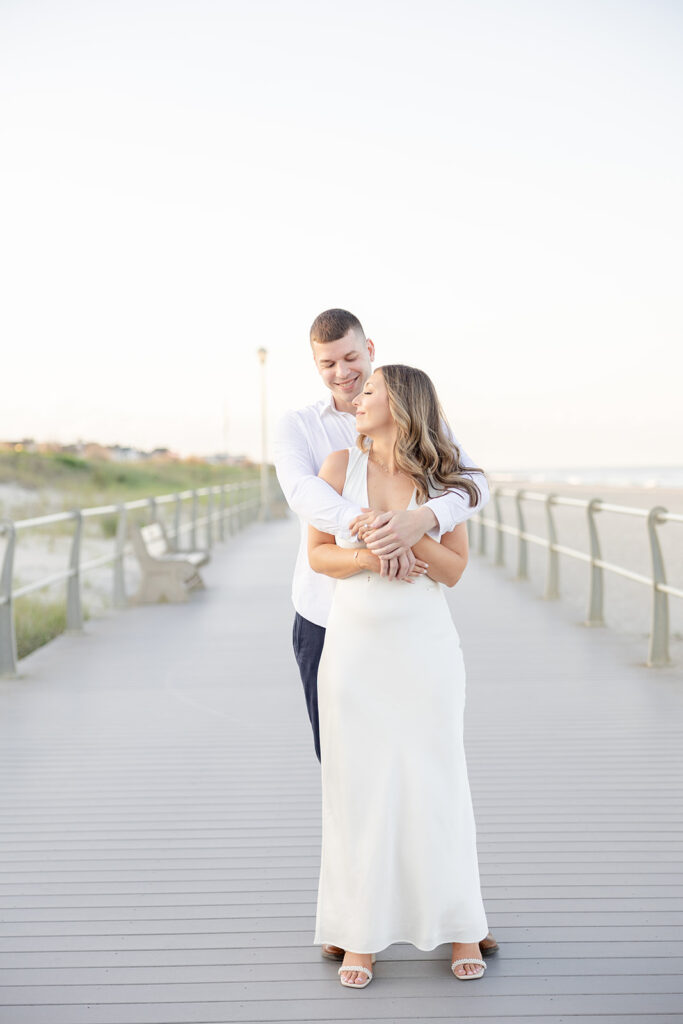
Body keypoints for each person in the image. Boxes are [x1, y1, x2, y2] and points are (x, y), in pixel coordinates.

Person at [273, 308, 498, 965]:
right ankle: (355, 920)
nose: (345, 377)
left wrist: (417, 523)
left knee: (429, 776)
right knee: (350, 776)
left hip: (418, 640)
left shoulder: (429, 445)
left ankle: (455, 915)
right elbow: (303, 505)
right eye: (330, 366)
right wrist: (375, 535)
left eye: (353, 362)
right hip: (329, 621)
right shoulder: (310, 435)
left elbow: (472, 487)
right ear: (318, 368)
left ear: (370, 354)